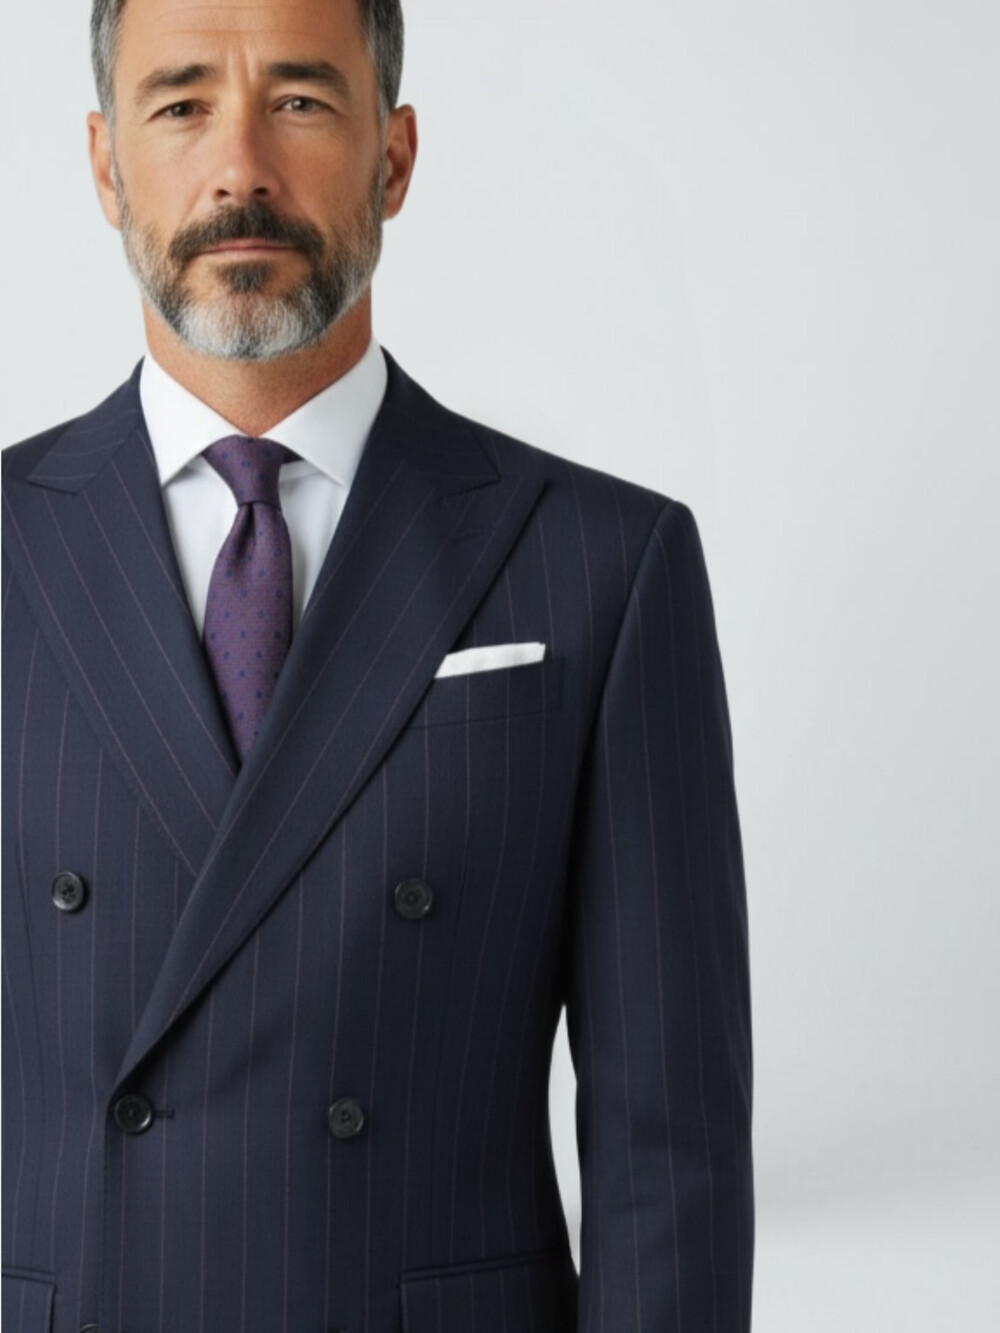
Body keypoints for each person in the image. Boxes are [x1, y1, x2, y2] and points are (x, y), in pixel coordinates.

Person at [1, 0, 754, 1329]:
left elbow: (670, 1149)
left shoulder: (600, 563)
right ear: (107, 164)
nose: (239, 169)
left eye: (300, 101)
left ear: (393, 157)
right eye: (181, 105)